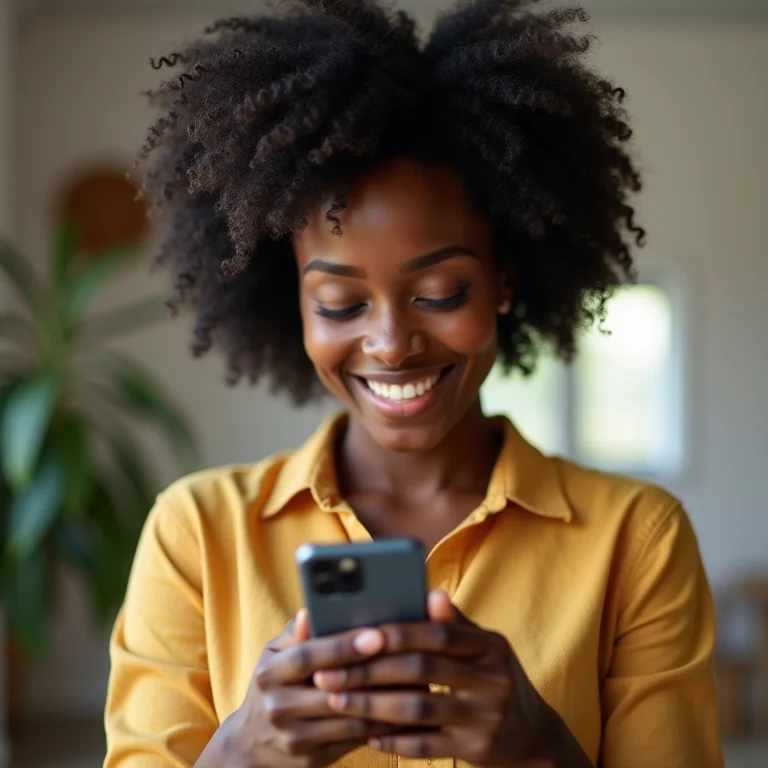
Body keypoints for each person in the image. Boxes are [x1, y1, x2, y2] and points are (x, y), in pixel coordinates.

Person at [103, 0, 724, 766]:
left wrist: (540, 750)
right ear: (291, 302)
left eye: (439, 294)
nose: (392, 343)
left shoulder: (637, 539)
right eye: (340, 303)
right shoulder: (195, 532)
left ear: (503, 281)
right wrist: (241, 753)